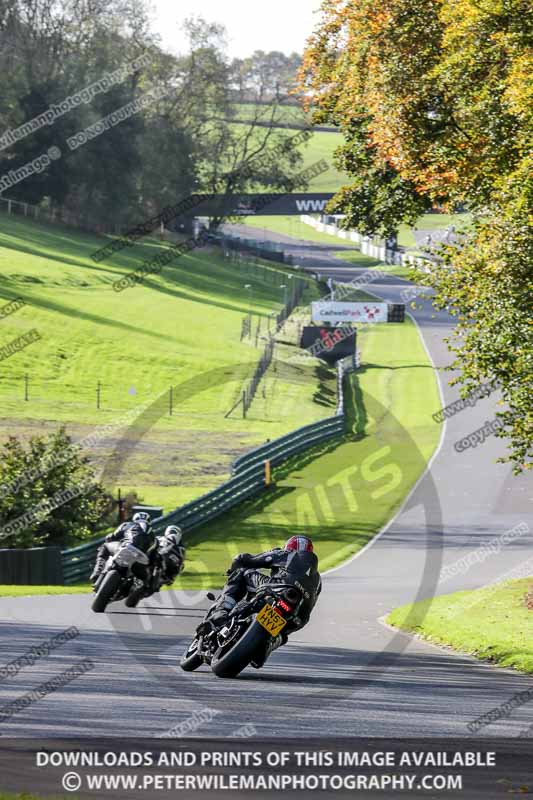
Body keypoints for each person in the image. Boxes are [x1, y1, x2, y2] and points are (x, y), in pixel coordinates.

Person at [204, 535, 321, 633]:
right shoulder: (317, 579)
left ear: (288, 547)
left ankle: (221, 610)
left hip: (276, 591)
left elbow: (244, 559)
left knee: (242, 572)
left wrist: (233, 569)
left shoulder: (285, 554)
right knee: (281, 635)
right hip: (297, 619)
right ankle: (267, 645)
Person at [89, 511, 155, 586]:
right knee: (142, 580)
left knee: (105, 546)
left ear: (134, 519)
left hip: (126, 548)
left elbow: (112, 537)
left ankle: (97, 572)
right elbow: (153, 556)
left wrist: (109, 538)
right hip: (142, 559)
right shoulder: (153, 536)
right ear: (149, 521)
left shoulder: (127, 524)